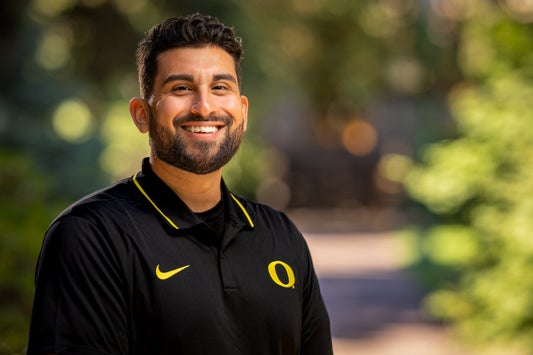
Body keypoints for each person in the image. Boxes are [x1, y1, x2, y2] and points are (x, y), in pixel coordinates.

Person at [27, 13, 333, 355]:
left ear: (242, 112)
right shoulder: (91, 236)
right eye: (181, 88)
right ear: (142, 114)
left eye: (220, 87)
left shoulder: (281, 237)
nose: (204, 107)